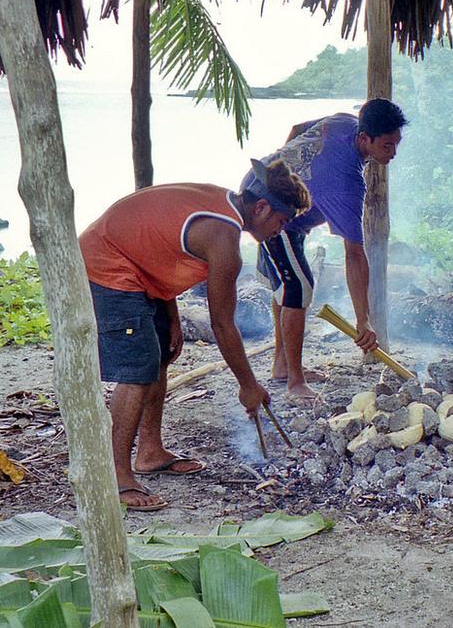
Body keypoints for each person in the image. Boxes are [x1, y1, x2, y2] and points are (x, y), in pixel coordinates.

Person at [80, 160, 311, 512]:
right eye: (281, 221)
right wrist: (248, 385)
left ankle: (150, 453)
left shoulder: (223, 204)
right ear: (262, 208)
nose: (280, 231)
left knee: (159, 352)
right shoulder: (222, 236)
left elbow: (156, 243)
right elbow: (222, 324)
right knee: (137, 368)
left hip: (133, 265)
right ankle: (116, 477)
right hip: (104, 263)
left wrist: (170, 315)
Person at [249, 98, 408, 402]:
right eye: (387, 145)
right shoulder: (347, 184)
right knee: (298, 288)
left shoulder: (342, 121)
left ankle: (282, 365)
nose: (393, 153)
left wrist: (285, 169)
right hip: (268, 213)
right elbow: (354, 255)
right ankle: (295, 382)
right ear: (365, 138)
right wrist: (363, 321)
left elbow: (297, 129)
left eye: (396, 144)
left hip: (267, 195)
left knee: (288, 286)